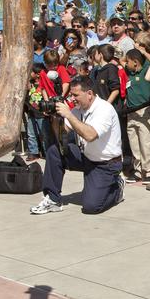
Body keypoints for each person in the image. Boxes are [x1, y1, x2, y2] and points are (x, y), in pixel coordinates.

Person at [30, 76, 124, 215]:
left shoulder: (104, 109)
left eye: (75, 95)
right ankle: (52, 199)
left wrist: (68, 114)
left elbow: (90, 135)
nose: (72, 99)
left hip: (106, 164)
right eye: (71, 95)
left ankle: (116, 189)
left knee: (91, 207)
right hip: (86, 157)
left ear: (90, 94)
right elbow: (61, 134)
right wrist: (55, 117)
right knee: (55, 150)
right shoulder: (78, 109)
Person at [122, 49, 150, 181]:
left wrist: (142, 51)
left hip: (144, 111)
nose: (126, 63)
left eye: (129, 61)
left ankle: (148, 170)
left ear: (136, 62)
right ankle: (138, 169)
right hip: (131, 112)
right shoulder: (129, 73)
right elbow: (120, 61)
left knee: (145, 142)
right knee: (134, 142)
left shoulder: (146, 70)